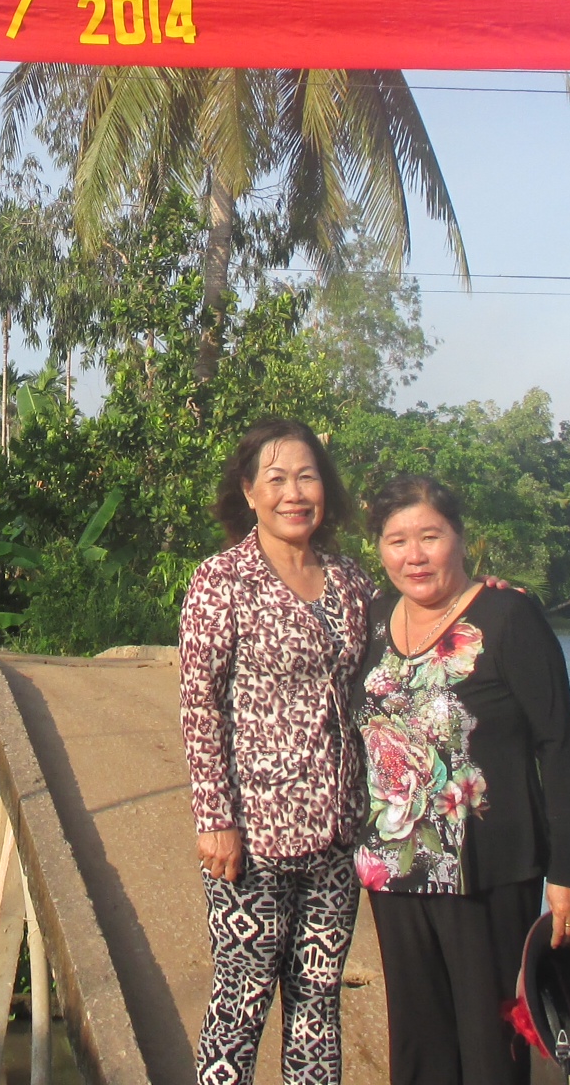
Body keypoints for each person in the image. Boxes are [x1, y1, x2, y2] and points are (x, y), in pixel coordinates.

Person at [351, 474, 570, 1085]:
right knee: (419, 1043)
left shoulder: (509, 616)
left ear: (460, 539)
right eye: (396, 539)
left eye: (430, 536)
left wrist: (568, 875)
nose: (414, 555)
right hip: (394, 865)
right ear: (379, 548)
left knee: (491, 1045)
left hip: (489, 870)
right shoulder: (373, 619)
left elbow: (557, 744)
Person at [179, 418, 377, 1085]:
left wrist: (483, 604)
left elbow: (385, 667)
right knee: (241, 999)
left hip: (337, 834)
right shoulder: (221, 580)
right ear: (249, 491)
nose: (296, 493)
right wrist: (215, 818)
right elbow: (199, 703)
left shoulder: (350, 581)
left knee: (318, 1007)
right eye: (278, 478)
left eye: (308, 476)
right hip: (254, 839)